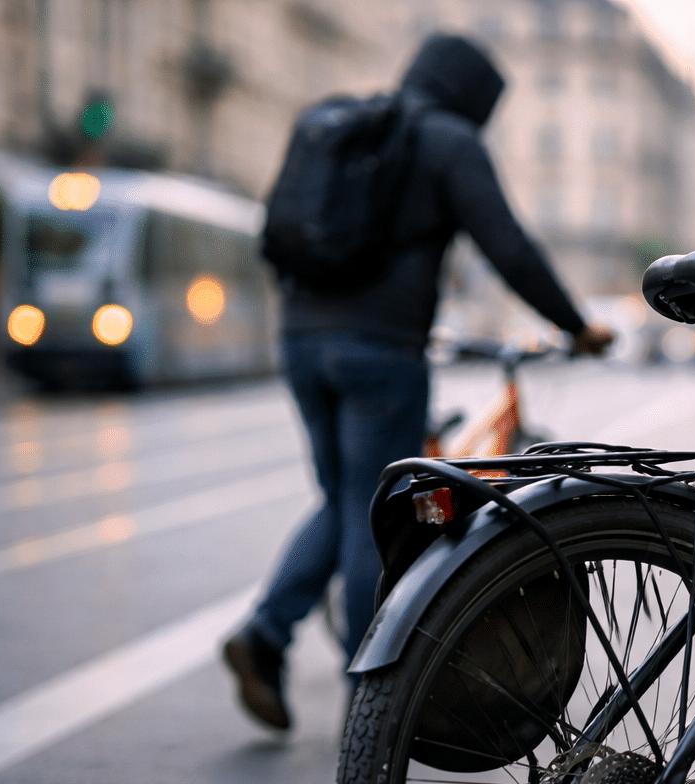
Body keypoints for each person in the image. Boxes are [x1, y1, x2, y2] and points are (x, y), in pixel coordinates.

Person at [224, 34, 613, 731]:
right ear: (472, 100)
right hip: (379, 351)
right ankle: (367, 702)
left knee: (345, 497)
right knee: (373, 515)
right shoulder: (448, 142)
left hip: (301, 341)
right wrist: (576, 325)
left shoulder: (344, 127)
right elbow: (509, 248)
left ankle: (266, 634)